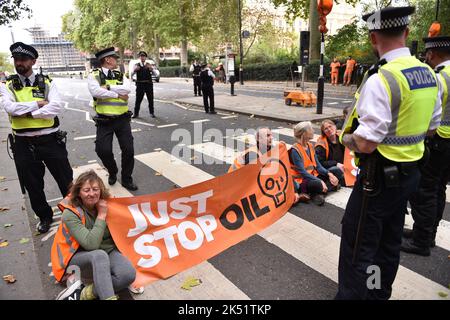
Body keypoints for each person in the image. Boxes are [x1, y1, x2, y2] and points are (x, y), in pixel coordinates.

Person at [336, 6, 441, 300]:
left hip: (377, 181)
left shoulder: (381, 79)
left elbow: (367, 142)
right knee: (388, 242)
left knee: (360, 246)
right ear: (406, 33)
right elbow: (432, 128)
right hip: (409, 176)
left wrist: (346, 140)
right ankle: (378, 292)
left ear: (373, 37)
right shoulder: (428, 74)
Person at [0, 42, 73, 234]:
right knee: (33, 185)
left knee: (66, 180)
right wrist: (39, 104)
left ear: (33, 61)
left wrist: (28, 114)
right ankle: (45, 216)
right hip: (23, 143)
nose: (19, 63)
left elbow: (56, 107)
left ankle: (74, 213)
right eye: (16, 60)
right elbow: (10, 108)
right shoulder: (7, 85)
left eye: (23, 60)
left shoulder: (48, 82)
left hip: (50, 141)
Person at [51, 170, 140, 300]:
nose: (92, 194)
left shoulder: (108, 203)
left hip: (107, 251)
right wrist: (102, 215)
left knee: (128, 275)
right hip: (75, 258)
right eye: (86, 190)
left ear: (101, 190)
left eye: (95, 189)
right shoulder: (70, 214)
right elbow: (91, 244)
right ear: (78, 193)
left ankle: (84, 293)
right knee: (99, 255)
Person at [401, 35, 450, 256]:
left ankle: (421, 240)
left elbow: (431, 110)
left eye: (428, 54)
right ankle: (428, 233)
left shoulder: (440, 77)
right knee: (439, 188)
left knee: (425, 190)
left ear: (432, 53)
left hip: (440, 139)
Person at [87, 47, 138, 191]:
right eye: (114, 58)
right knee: (102, 150)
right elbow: (96, 91)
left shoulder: (120, 74)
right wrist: (117, 94)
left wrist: (108, 87)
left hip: (122, 119)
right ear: (108, 59)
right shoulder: (94, 75)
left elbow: (127, 90)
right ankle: (112, 170)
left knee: (128, 150)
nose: (117, 60)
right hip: (104, 121)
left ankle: (127, 178)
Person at [289, 121, 342, 206]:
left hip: (314, 175)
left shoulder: (310, 145)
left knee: (337, 172)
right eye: (311, 129)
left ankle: (316, 194)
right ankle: (321, 190)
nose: (313, 131)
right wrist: (320, 181)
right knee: (318, 184)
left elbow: (318, 166)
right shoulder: (295, 150)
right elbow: (303, 173)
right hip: (303, 180)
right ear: (305, 133)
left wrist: (329, 174)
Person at [315, 120, 346, 186]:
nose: (329, 129)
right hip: (330, 168)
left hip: (344, 165)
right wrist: (336, 163)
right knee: (336, 170)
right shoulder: (321, 144)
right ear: (323, 132)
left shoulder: (341, 136)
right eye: (326, 129)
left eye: (330, 126)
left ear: (335, 127)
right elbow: (320, 163)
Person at [132, 51, 156, 118]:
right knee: (138, 100)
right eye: (141, 56)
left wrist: (151, 69)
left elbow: (155, 74)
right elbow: (131, 75)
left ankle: (152, 113)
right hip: (140, 84)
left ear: (145, 57)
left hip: (148, 84)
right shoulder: (136, 65)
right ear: (139, 57)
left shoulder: (149, 64)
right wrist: (135, 70)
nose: (142, 57)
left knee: (150, 99)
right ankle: (136, 113)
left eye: (143, 56)